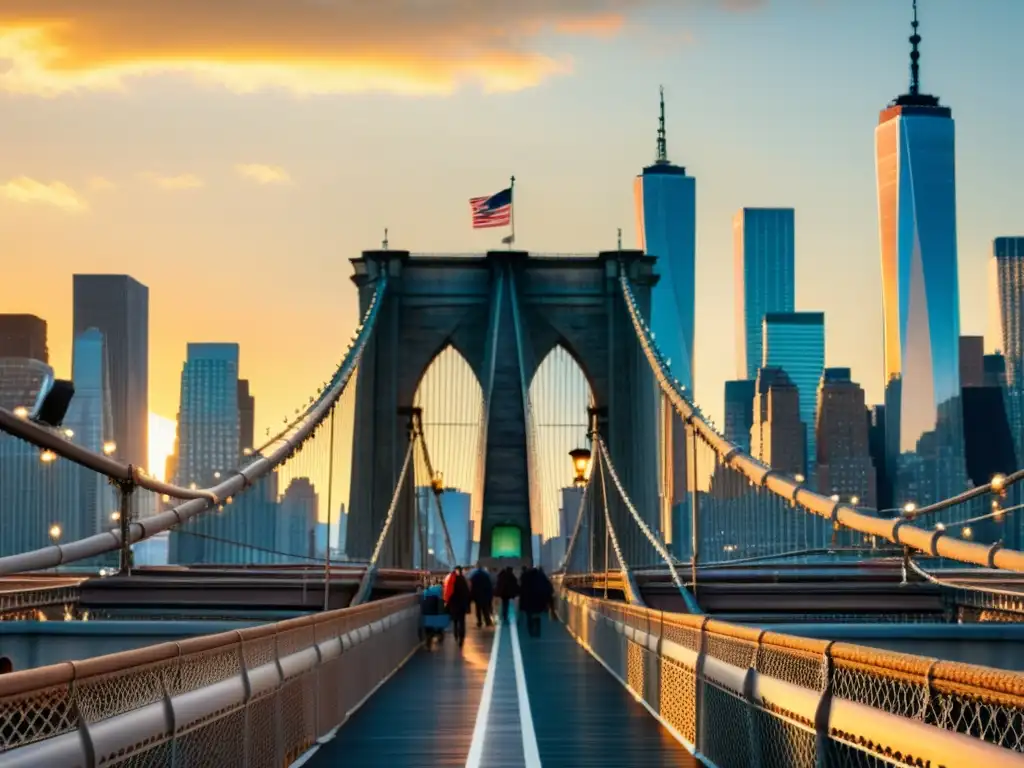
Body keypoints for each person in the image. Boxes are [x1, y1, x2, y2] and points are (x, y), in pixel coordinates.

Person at [446, 566, 471, 647]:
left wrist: (448, 604)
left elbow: (448, 593)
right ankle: (461, 637)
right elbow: (467, 593)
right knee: (462, 621)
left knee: (455, 621)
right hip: (462, 605)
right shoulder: (464, 580)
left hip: (454, 604)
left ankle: (456, 634)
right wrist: (467, 605)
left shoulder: (451, 580)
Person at [469, 564, 494, 628]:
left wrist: (472, 596)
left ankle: (479, 622)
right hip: (485, 595)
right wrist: (490, 595)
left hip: (478, 596)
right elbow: (489, 587)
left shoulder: (474, 576)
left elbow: (473, 587)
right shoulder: (486, 576)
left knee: (478, 610)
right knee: (485, 609)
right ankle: (487, 621)